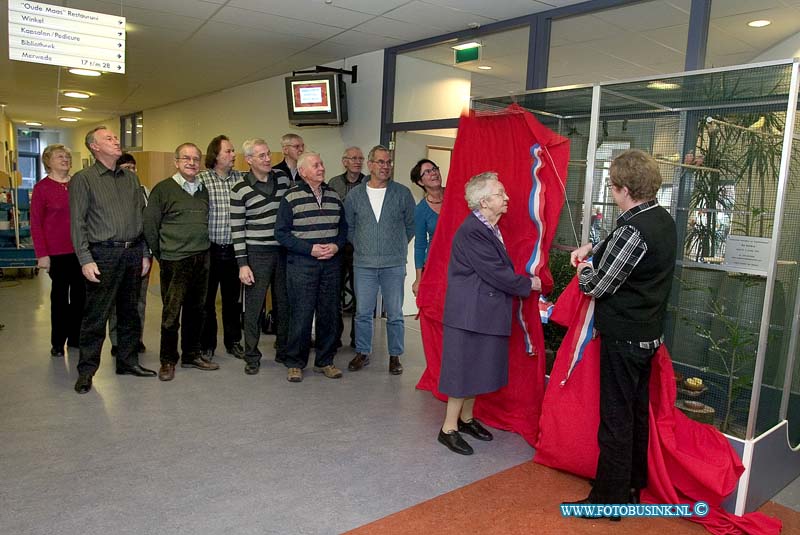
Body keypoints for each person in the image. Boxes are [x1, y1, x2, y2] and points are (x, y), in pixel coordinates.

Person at [566, 149, 676, 513]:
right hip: (648, 336)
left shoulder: (633, 228)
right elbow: (619, 243)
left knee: (615, 418)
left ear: (625, 188)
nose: (612, 192)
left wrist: (582, 267)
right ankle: (630, 485)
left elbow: (598, 286)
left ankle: (607, 500)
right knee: (636, 414)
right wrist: (594, 246)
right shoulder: (661, 218)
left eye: (613, 186)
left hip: (625, 339)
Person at [436, 172, 539, 455]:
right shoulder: (473, 231)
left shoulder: (488, 227)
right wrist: (529, 284)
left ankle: (466, 419)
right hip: (469, 314)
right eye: (500, 193)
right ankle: (448, 428)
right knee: (462, 372)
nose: (506, 198)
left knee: (476, 368)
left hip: (481, 311)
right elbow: (496, 273)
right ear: (483, 202)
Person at [70, 127, 156, 394]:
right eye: (109, 138)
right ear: (94, 147)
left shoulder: (131, 179)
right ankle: (86, 371)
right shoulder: (83, 179)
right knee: (96, 316)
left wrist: (144, 253)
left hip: (132, 252)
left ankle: (127, 362)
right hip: (103, 254)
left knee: (130, 312)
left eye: (115, 137)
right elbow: (77, 223)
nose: (116, 141)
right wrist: (85, 259)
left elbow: (140, 218)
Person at [143, 143, 219, 382]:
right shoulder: (163, 190)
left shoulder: (203, 189)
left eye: (196, 159)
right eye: (186, 158)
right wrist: (163, 255)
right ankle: (168, 360)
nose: (192, 162)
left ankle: (191, 354)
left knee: (197, 311)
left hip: (202, 257)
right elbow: (150, 227)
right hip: (174, 260)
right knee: (171, 313)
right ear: (176, 162)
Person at [344, 145, 415, 375]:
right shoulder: (355, 195)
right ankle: (363, 352)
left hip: (393, 264)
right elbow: (349, 227)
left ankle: (395, 356)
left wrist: (395, 244)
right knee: (363, 312)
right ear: (370, 165)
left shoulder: (402, 193)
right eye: (381, 162)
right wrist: (364, 245)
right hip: (363, 264)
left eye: (389, 162)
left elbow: (411, 225)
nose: (386, 167)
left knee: (394, 313)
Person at [276, 151, 347, 383]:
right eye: (316, 165)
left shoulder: (334, 196)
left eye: (322, 163)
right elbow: (282, 233)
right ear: (303, 171)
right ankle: (295, 363)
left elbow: (343, 230)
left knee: (329, 314)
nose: (321, 168)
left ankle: (325, 361)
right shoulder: (291, 197)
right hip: (302, 264)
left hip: (331, 265)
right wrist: (310, 249)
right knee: (301, 314)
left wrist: (336, 247)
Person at [230, 138, 292, 375]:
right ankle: (252, 355)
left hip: (283, 252)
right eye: (261, 156)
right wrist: (242, 264)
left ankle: (284, 350)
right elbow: (237, 229)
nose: (267, 159)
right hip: (256, 254)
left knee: (284, 305)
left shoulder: (283, 179)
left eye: (268, 154)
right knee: (254, 308)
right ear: (248, 160)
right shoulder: (240, 189)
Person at [30, 144, 85, 357]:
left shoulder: (77, 184)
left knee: (80, 297)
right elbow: (36, 223)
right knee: (60, 298)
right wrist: (42, 254)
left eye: (67, 156)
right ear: (48, 161)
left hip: (80, 250)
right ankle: (57, 342)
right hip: (57, 253)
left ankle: (76, 338)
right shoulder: (42, 188)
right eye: (60, 156)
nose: (65, 159)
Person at [198, 135, 245, 360]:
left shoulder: (242, 179)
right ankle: (207, 344)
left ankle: (233, 341)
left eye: (233, 151)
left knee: (232, 301)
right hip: (210, 250)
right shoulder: (201, 180)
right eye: (228, 151)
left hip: (235, 251)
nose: (233, 155)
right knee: (206, 302)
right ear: (215, 155)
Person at [109, 152, 149, 356]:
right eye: (126, 168)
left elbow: (148, 225)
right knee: (117, 301)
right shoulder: (112, 192)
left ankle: (137, 338)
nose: (131, 172)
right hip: (118, 254)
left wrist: (147, 255)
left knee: (139, 301)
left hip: (141, 253)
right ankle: (117, 341)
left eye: (133, 168)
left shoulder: (144, 191)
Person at [327, 146, 367, 348]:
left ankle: (357, 339)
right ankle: (334, 336)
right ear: (344, 161)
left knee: (361, 294)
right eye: (353, 158)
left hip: (360, 246)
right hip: (338, 244)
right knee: (335, 292)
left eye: (360, 158)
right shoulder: (333, 183)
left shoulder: (369, 183)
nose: (357, 161)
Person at [409, 159, 444, 297]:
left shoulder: (455, 196)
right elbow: (420, 245)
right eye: (427, 172)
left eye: (435, 168)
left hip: (461, 261)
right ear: (420, 182)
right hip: (435, 265)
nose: (433, 173)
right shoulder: (421, 209)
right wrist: (419, 279)